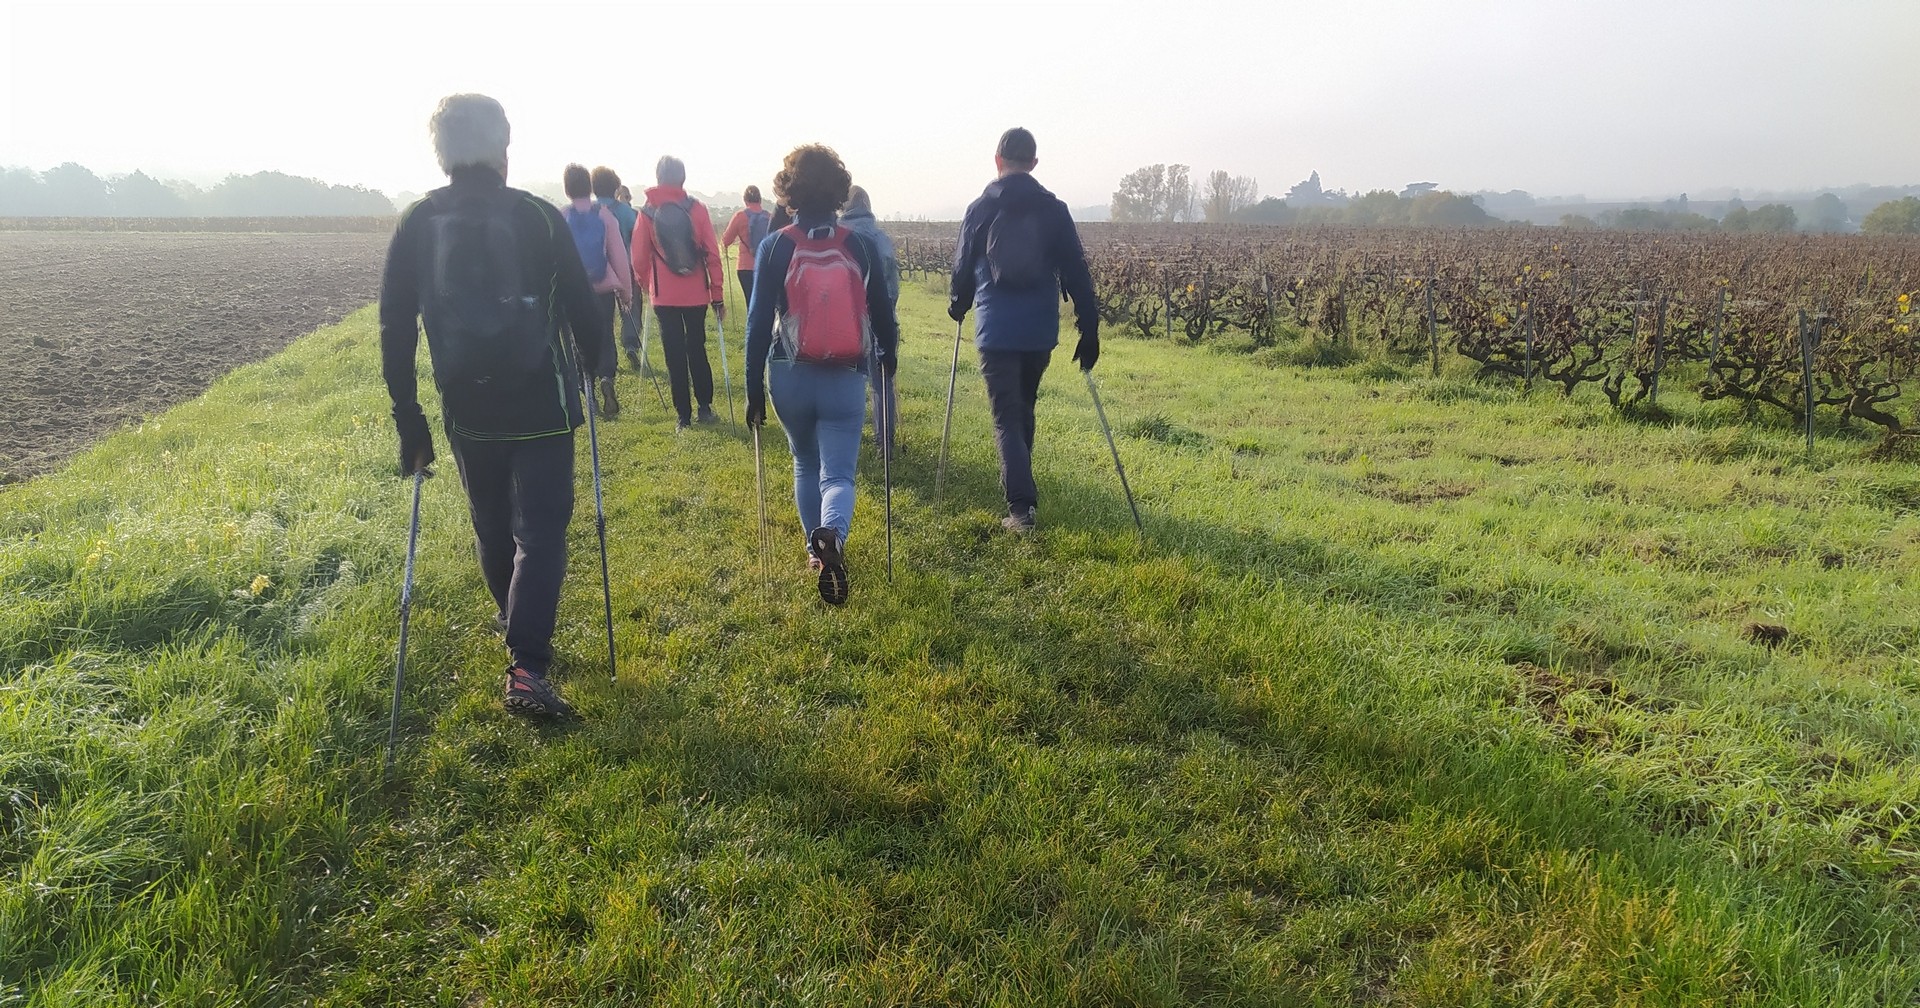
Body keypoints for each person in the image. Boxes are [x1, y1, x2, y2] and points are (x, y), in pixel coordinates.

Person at [379, 93, 606, 719]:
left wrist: (410, 418)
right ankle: (527, 663)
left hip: (467, 410)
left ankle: (514, 619)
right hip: (543, 404)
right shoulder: (536, 217)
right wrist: (599, 361)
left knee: (491, 521)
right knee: (541, 528)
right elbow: (583, 310)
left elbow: (395, 327)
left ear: (442, 152)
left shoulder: (417, 222)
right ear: (504, 149)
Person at [744, 144, 899, 605]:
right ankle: (831, 532)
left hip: (789, 373)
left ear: (789, 191)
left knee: (804, 461)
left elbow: (756, 326)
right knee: (839, 474)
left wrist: (754, 388)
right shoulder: (860, 244)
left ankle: (816, 553)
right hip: (846, 373)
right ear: (837, 189)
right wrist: (888, 359)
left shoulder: (776, 246)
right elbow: (883, 314)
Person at [948, 127, 1099, 533]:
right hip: (1038, 331)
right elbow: (1077, 273)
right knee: (1023, 406)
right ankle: (1022, 488)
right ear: (1033, 163)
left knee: (1006, 417)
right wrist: (1090, 329)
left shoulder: (981, 208)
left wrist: (958, 304)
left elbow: (962, 267)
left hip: (995, 329)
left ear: (997, 159)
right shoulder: (1054, 209)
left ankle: (1020, 509)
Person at [630, 155, 726, 429]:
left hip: (664, 296)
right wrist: (716, 293)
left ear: (658, 178)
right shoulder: (697, 209)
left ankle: (682, 416)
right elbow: (712, 252)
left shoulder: (646, 212)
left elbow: (638, 256)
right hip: (696, 294)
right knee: (697, 347)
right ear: (683, 178)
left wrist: (648, 284)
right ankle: (704, 407)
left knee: (673, 354)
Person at [561, 163, 633, 419]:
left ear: (566, 189)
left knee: (576, 341)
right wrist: (626, 292)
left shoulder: (561, 217)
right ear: (589, 187)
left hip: (572, 291)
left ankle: (586, 387)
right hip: (602, 289)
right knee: (605, 336)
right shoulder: (604, 216)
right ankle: (606, 377)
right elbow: (619, 257)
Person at [837, 185, 901, 455]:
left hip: (847, 322)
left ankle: (842, 440)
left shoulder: (839, 237)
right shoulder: (882, 239)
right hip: (881, 317)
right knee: (882, 381)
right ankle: (884, 442)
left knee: (844, 381)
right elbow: (892, 286)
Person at [593, 167, 643, 371]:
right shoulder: (629, 213)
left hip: (599, 274)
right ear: (616, 188)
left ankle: (606, 359)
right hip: (627, 269)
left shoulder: (590, 212)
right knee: (631, 309)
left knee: (604, 316)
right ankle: (631, 345)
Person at [719, 184, 771, 305]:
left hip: (745, 267)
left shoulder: (740, 216)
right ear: (760, 199)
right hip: (765, 265)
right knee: (765, 304)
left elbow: (726, 240)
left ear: (745, 200)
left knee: (751, 303)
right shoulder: (768, 217)